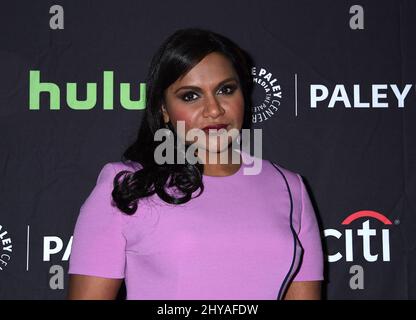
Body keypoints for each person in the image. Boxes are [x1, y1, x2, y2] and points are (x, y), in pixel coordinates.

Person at [67, 27, 324, 300]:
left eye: (226, 89)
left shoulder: (290, 188)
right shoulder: (127, 185)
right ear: (164, 110)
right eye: (191, 95)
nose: (214, 109)